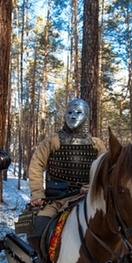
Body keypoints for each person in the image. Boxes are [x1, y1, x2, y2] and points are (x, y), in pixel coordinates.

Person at [26, 98, 107, 254]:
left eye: (78, 113)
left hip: (86, 199)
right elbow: (36, 165)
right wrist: (37, 193)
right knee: (36, 232)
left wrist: (91, 187)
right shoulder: (52, 141)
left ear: (86, 116)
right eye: (70, 112)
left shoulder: (97, 144)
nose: (73, 116)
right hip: (55, 199)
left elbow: (103, 171)